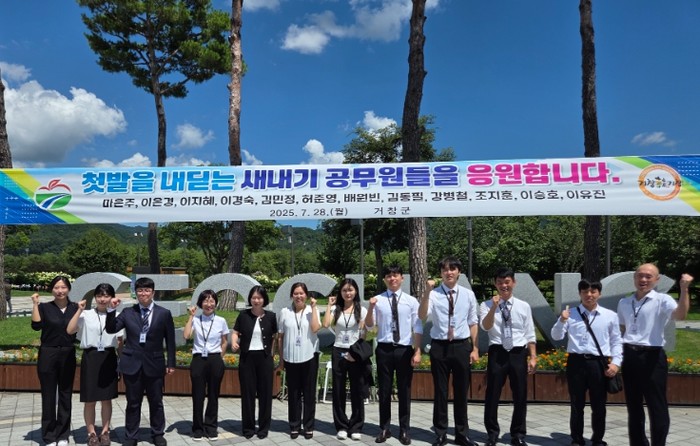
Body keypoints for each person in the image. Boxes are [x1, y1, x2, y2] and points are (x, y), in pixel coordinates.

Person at [617, 264, 692, 446]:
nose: (643, 280)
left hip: (652, 357)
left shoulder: (662, 300)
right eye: (640, 276)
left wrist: (684, 289)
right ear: (634, 278)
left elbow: (680, 315)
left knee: (656, 405)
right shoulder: (624, 302)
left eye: (648, 276)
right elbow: (622, 329)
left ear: (656, 280)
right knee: (633, 406)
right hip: (629, 355)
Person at [550, 279, 623, 446]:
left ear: (599, 294)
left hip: (598, 363)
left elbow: (616, 341)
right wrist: (561, 320)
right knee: (577, 404)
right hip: (576, 363)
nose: (589, 295)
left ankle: (598, 439)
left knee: (599, 404)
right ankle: (577, 439)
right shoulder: (570, 314)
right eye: (585, 292)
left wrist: (616, 363)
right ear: (580, 294)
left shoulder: (610, 316)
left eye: (593, 291)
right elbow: (556, 336)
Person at [105, 277, 176, 446]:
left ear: (153, 292)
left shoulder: (164, 313)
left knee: (156, 402)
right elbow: (111, 329)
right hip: (132, 364)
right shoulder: (128, 312)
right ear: (135, 293)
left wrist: (171, 363)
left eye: (147, 290)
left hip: (155, 363)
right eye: (140, 290)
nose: (143, 293)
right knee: (133, 402)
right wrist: (111, 310)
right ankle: (131, 435)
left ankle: (157, 433)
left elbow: (170, 340)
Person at [419, 257, 479, 446]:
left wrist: (475, 348)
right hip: (440, 346)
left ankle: (462, 433)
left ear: (459, 271)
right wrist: (427, 292)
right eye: (445, 269)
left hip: (461, 346)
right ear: (441, 273)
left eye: (452, 269)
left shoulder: (468, 294)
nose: (449, 272)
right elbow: (422, 315)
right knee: (440, 391)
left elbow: (473, 322)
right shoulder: (434, 294)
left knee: (461, 391)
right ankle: (441, 433)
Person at [365, 265, 423, 445]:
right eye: (388, 276)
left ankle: (404, 429)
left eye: (395, 275)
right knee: (384, 390)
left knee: (405, 390)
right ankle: (385, 428)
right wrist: (370, 307)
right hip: (384, 349)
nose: (392, 279)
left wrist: (417, 350)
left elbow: (417, 326)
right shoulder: (378, 300)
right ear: (384, 279)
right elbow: (369, 326)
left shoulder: (411, 301)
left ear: (402, 278)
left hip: (404, 350)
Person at [479, 267, 537, 446]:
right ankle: (492, 434)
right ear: (495, 284)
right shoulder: (486, 305)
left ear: (514, 283)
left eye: (507, 282)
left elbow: (530, 332)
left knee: (520, 394)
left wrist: (533, 356)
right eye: (500, 282)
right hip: (497, 352)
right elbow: (485, 326)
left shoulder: (523, 306)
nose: (504, 286)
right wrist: (493, 308)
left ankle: (518, 434)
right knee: (492, 394)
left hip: (518, 353)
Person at [66, 284, 124, 446]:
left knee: (106, 399)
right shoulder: (86, 314)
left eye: (106, 296)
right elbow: (70, 330)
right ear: (95, 297)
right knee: (90, 399)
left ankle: (105, 432)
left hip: (109, 357)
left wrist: (121, 362)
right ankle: (91, 433)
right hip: (91, 358)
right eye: (99, 296)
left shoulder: (118, 315)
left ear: (112, 297)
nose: (102, 299)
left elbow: (120, 341)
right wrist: (79, 310)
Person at [31, 275, 79, 446]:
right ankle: (49, 436)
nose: (60, 291)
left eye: (63, 287)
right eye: (56, 287)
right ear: (52, 290)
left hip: (67, 353)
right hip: (48, 353)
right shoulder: (44, 307)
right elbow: (36, 326)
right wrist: (35, 304)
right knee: (48, 395)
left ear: (69, 289)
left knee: (66, 394)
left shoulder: (75, 307)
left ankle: (63, 435)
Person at [322, 278, 369, 441]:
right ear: (340, 292)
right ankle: (341, 426)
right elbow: (325, 324)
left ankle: (356, 426)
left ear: (355, 291)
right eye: (344, 290)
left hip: (355, 352)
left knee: (357, 390)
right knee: (338, 390)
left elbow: (364, 333)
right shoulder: (336, 309)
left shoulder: (361, 310)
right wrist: (329, 305)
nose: (347, 293)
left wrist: (356, 353)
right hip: (338, 350)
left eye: (350, 290)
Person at [231, 285, 278, 439]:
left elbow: (275, 337)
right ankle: (248, 428)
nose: (256, 300)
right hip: (247, 358)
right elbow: (235, 332)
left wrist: (272, 354)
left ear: (264, 299)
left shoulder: (271, 316)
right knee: (248, 394)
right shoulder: (243, 315)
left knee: (265, 395)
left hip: (265, 359)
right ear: (250, 299)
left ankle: (263, 428)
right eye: (253, 298)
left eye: (259, 298)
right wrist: (234, 342)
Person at [183, 290, 230, 441]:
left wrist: (218, 358)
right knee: (198, 395)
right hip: (198, 360)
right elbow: (186, 335)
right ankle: (197, 428)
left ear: (215, 303)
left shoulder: (221, 320)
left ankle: (211, 427)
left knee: (213, 395)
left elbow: (224, 342)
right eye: (205, 301)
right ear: (200, 303)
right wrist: (191, 316)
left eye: (212, 301)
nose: (209, 304)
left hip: (215, 359)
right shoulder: (196, 319)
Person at [277, 282, 321, 439]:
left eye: (301, 293)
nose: (298, 296)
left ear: (306, 295)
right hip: (291, 358)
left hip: (309, 356)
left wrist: (314, 308)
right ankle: (294, 425)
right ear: (291, 296)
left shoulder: (312, 310)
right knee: (293, 394)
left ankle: (309, 426)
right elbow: (280, 337)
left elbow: (315, 328)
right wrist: (281, 359)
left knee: (309, 394)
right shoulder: (285, 312)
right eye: (295, 293)